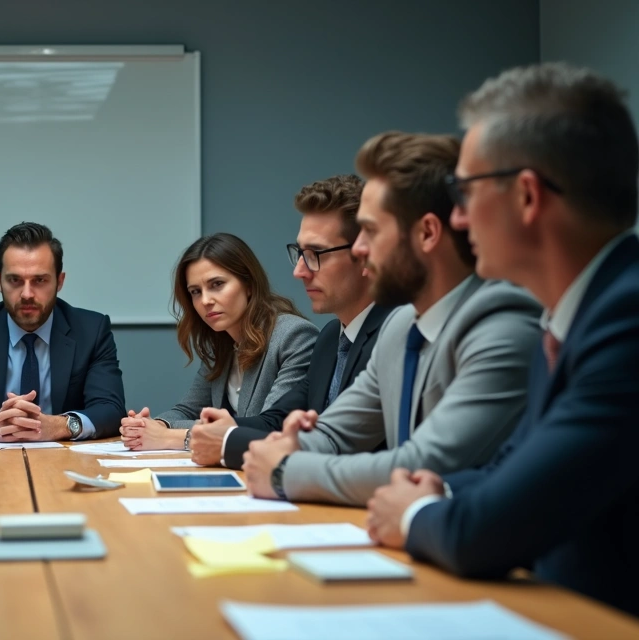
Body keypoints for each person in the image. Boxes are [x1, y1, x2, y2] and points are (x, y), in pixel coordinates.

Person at [366, 63, 639, 617]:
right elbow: (510, 472)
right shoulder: (570, 315)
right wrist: (435, 490)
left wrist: (415, 513)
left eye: (464, 193)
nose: (458, 220)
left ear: (527, 197)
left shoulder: (626, 319)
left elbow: (491, 530)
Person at [242, 132, 541, 506]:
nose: (360, 249)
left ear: (428, 233)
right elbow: (335, 435)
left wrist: (286, 470)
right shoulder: (401, 327)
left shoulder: (504, 325)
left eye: (370, 230)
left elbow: (423, 465)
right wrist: (292, 445)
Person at [190, 176, 393, 467]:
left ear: (364, 255)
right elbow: (277, 420)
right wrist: (228, 429)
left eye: (315, 254)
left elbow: (343, 444)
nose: (300, 271)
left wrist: (227, 442)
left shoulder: (395, 334)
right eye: (299, 253)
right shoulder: (331, 337)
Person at [0, 222, 125, 442]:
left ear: (60, 281)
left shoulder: (91, 330)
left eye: (39, 280)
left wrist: (60, 425)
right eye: (15, 280)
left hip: (67, 459)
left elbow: (111, 409)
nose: (27, 294)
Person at [119, 233, 318, 452]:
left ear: (249, 284)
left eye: (217, 284)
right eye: (195, 291)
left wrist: (170, 437)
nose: (205, 301)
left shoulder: (294, 336)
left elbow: (269, 428)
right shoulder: (223, 344)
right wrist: (150, 426)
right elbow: (186, 409)